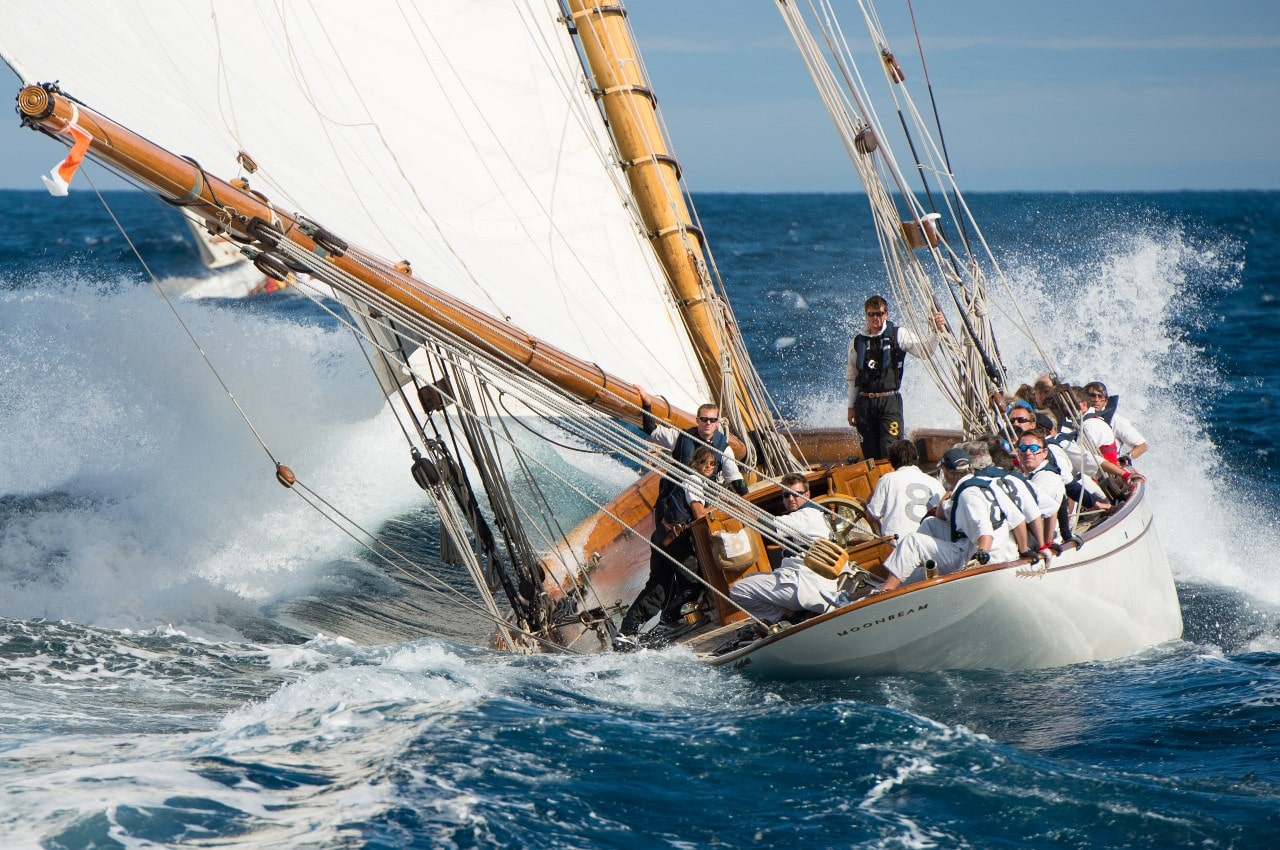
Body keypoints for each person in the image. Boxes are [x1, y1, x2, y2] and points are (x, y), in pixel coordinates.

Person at [877, 447, 1018, 593]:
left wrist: (982, 554)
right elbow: (940, 514)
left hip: (974, 557)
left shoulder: (967, 494)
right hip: (978, 545)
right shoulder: (976, 485)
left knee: (912, 541)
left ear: (947, 473)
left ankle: (887, 590)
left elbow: (985, 531)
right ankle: (914, 568)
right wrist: (1025, 549)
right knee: (930, 523)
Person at [618, 446, 719, 645]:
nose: (708, 467)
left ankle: (628, 630)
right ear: (695, 463)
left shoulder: (689, 480)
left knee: (659, 585)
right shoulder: (694, 481)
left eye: (712, 464)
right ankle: (669, 619)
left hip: (663, 537)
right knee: (694, 583)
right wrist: (721, 507)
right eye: (704, 462)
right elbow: (699, 514)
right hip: (674, 541)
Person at [728, 474, 842, 625]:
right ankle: (794, 614)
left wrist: (735, 502)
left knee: (738, 590)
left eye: (796, 494)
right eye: (786, 495)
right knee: (752, 577)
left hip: (805, 587)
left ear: (807, 495)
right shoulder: (815, 513)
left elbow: (766, 524)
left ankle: (792, 616)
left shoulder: (805, 516)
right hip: (813, 584)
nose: (791, 499)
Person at [845, 295, 945, 461]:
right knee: (870, 454)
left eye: (879, 313)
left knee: (891, 449)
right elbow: (852, 377)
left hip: (889, 402)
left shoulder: (899, 335)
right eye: (871, 314)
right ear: (866, 315)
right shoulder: (856, 342)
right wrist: (850, 407)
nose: (875, 318)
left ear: (886, 314)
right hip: (864, 404)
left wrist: (936, 331)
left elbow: (925, 352)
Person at [642, 402, 748, 495]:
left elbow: (735, 478)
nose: (708, 423)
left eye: (712, 420)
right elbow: (650, 429)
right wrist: (647, 403)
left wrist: (747, 497)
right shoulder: (680, 437)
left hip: (703, 498)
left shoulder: (724, 449)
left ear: (717, 422)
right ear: (697, 420)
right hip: (678, 496)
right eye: (704, 419)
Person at [864, 438, 944, 541]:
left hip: (896, 543)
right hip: (929, 543)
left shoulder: (888, 479)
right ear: (917, 458)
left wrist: (868, 503)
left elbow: (872, 516)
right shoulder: (935, 483)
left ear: (891, 462)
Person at [1013, 428, 1067, 557]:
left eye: (1033, 448)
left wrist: (1046, 544)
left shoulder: (1044, 478)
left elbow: (1045, 512)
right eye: (1023, 448)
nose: (1028, 453)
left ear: (1044, 453)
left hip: (1038, 545)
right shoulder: (1032, 476)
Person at [1084, 381, 1148, 462]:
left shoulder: (1117, 420)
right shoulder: (1076, 417)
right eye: (1092, 396)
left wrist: (1127, 458)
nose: (1096, 400)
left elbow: (1142, 445)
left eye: (1100, 396)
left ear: (1106, 402)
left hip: (1107, 465)